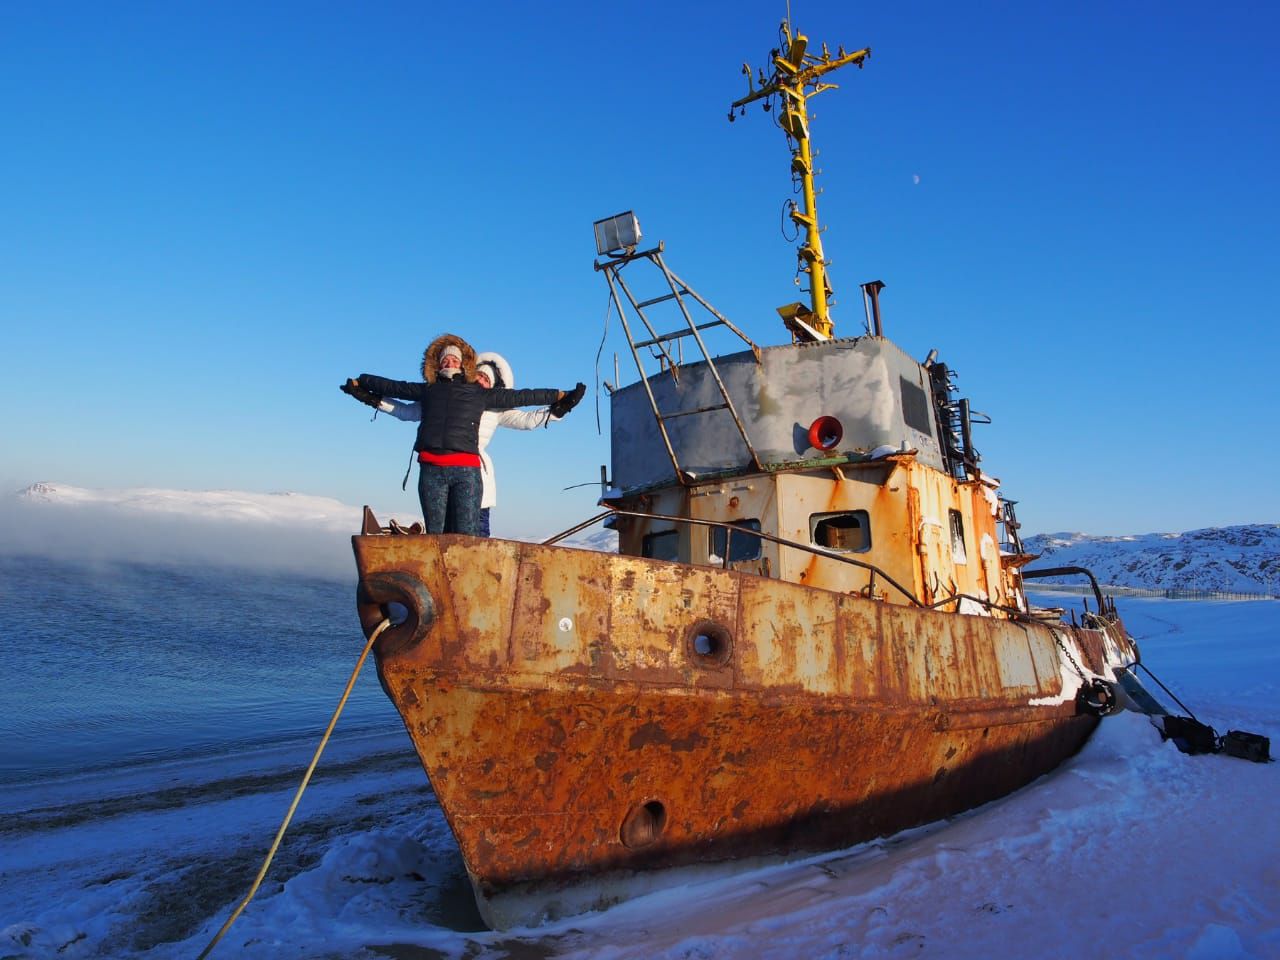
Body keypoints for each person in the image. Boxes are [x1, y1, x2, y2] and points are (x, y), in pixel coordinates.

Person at [344, 333, 583, 536]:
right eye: (479, 375)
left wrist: (559, 408)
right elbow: (405, 410)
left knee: (475, 536)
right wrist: (371, 398)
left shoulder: (496, 409)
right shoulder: (440, 397)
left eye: (487, 379)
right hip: (437, 466)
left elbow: (527, 417)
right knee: (444, 532)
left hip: (475, 478)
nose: (481, 380)